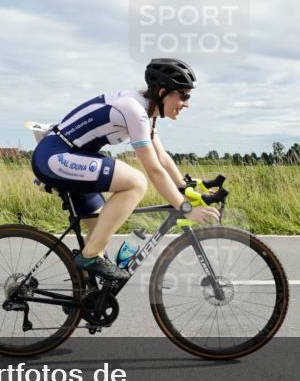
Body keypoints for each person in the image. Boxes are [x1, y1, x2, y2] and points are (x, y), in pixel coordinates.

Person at [31, 58, 220, 282]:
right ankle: (90, 257)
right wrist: (185, 208)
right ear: (162, 92)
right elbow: (153, 170)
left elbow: (162, 157)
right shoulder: (135, 111)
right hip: (56, 157)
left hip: (73, 158)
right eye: (183, 95)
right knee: (136, 182)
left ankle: (84, 295)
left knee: (100, 230)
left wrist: (184, 185)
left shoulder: (146, 113)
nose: (186, 103)